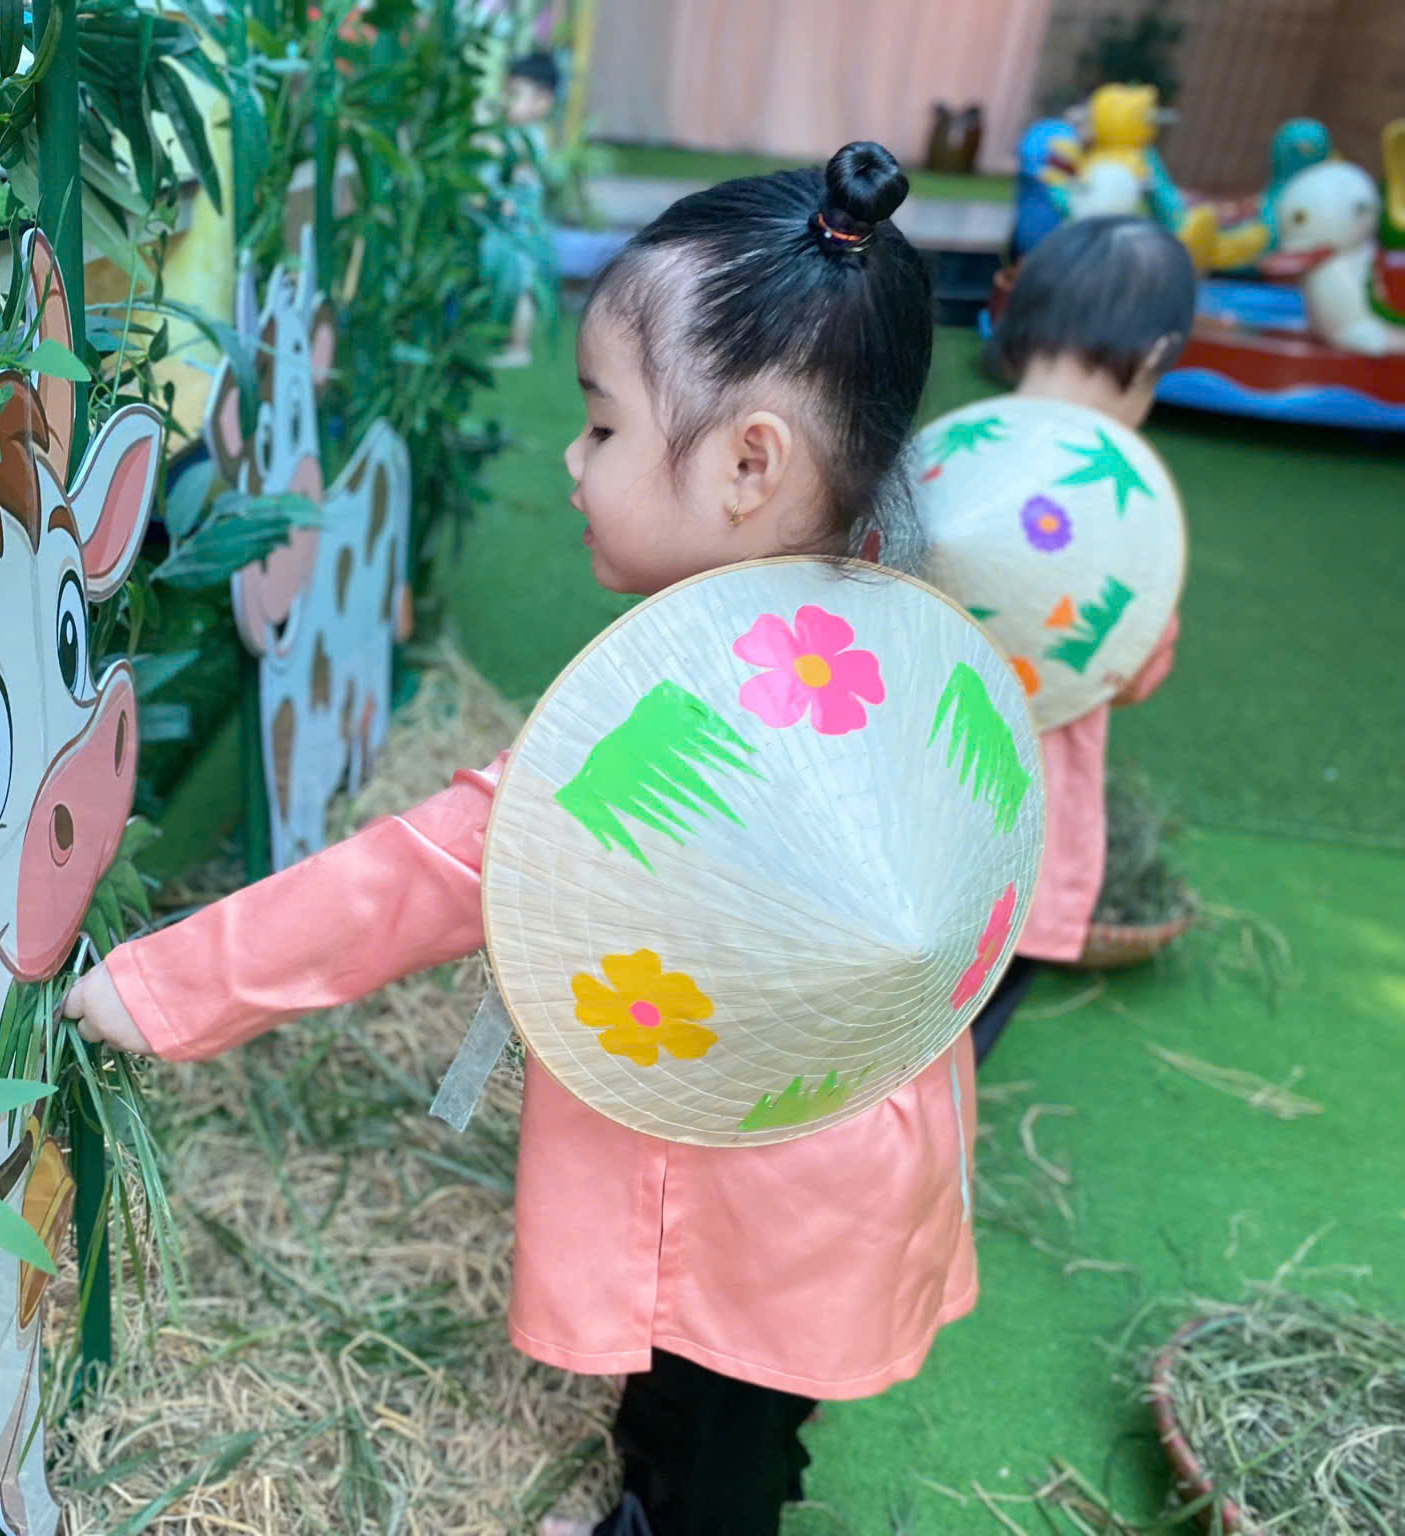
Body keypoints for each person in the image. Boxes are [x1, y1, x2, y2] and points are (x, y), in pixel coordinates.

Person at [70, 144, 954, 1536]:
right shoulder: (890, 638)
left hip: (758, 1179)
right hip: (852, 1135)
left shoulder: (669, 726)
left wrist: (155, 990)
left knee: (716, 1420)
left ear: (748, 464)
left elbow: (422, 874)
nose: (572, 460)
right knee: (731, 1392)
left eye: (601, 428)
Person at [966, 215, 1194, 1066]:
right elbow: (1133, 671)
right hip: (1025, 828)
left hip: (910, 804)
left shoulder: (959, 451)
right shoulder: (1124, 508)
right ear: (1155, 354)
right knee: (964, 1035)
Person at [481, 51, 561, 369]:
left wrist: (483, 132)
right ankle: (503, 337)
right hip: (506, 224)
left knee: (524, 286)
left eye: (514, 94)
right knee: (506, 280)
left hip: (523, 228)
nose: (505, 101)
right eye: (505, 92)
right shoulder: (515, 133)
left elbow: (507, 159)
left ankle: (519, 346)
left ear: (543, 103)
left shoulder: (530, 138)